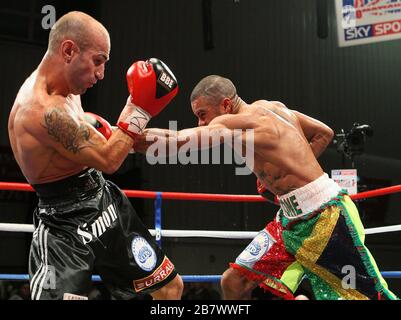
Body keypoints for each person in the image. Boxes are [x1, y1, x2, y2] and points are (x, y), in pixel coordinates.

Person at [132, 75, 398, 300]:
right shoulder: (275, 107)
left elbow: (179, 140)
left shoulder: (227, 123)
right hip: (289, 220)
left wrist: (128, 135)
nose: (202, 123)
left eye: (202, 115)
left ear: (225, 105)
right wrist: (292, 168)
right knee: (233, 282)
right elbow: (323, 133)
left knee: (365, 295)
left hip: (327, 217)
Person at [8, 11, 183, 300]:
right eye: (97, 61)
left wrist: (185, 140)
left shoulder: (69, 89)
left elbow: (112, 139)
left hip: (103, 201)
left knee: (168, 288)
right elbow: (110, 159)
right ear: (68, 50)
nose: (101, 74)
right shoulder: (41, 109)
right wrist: (139, 108)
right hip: (63, 224)